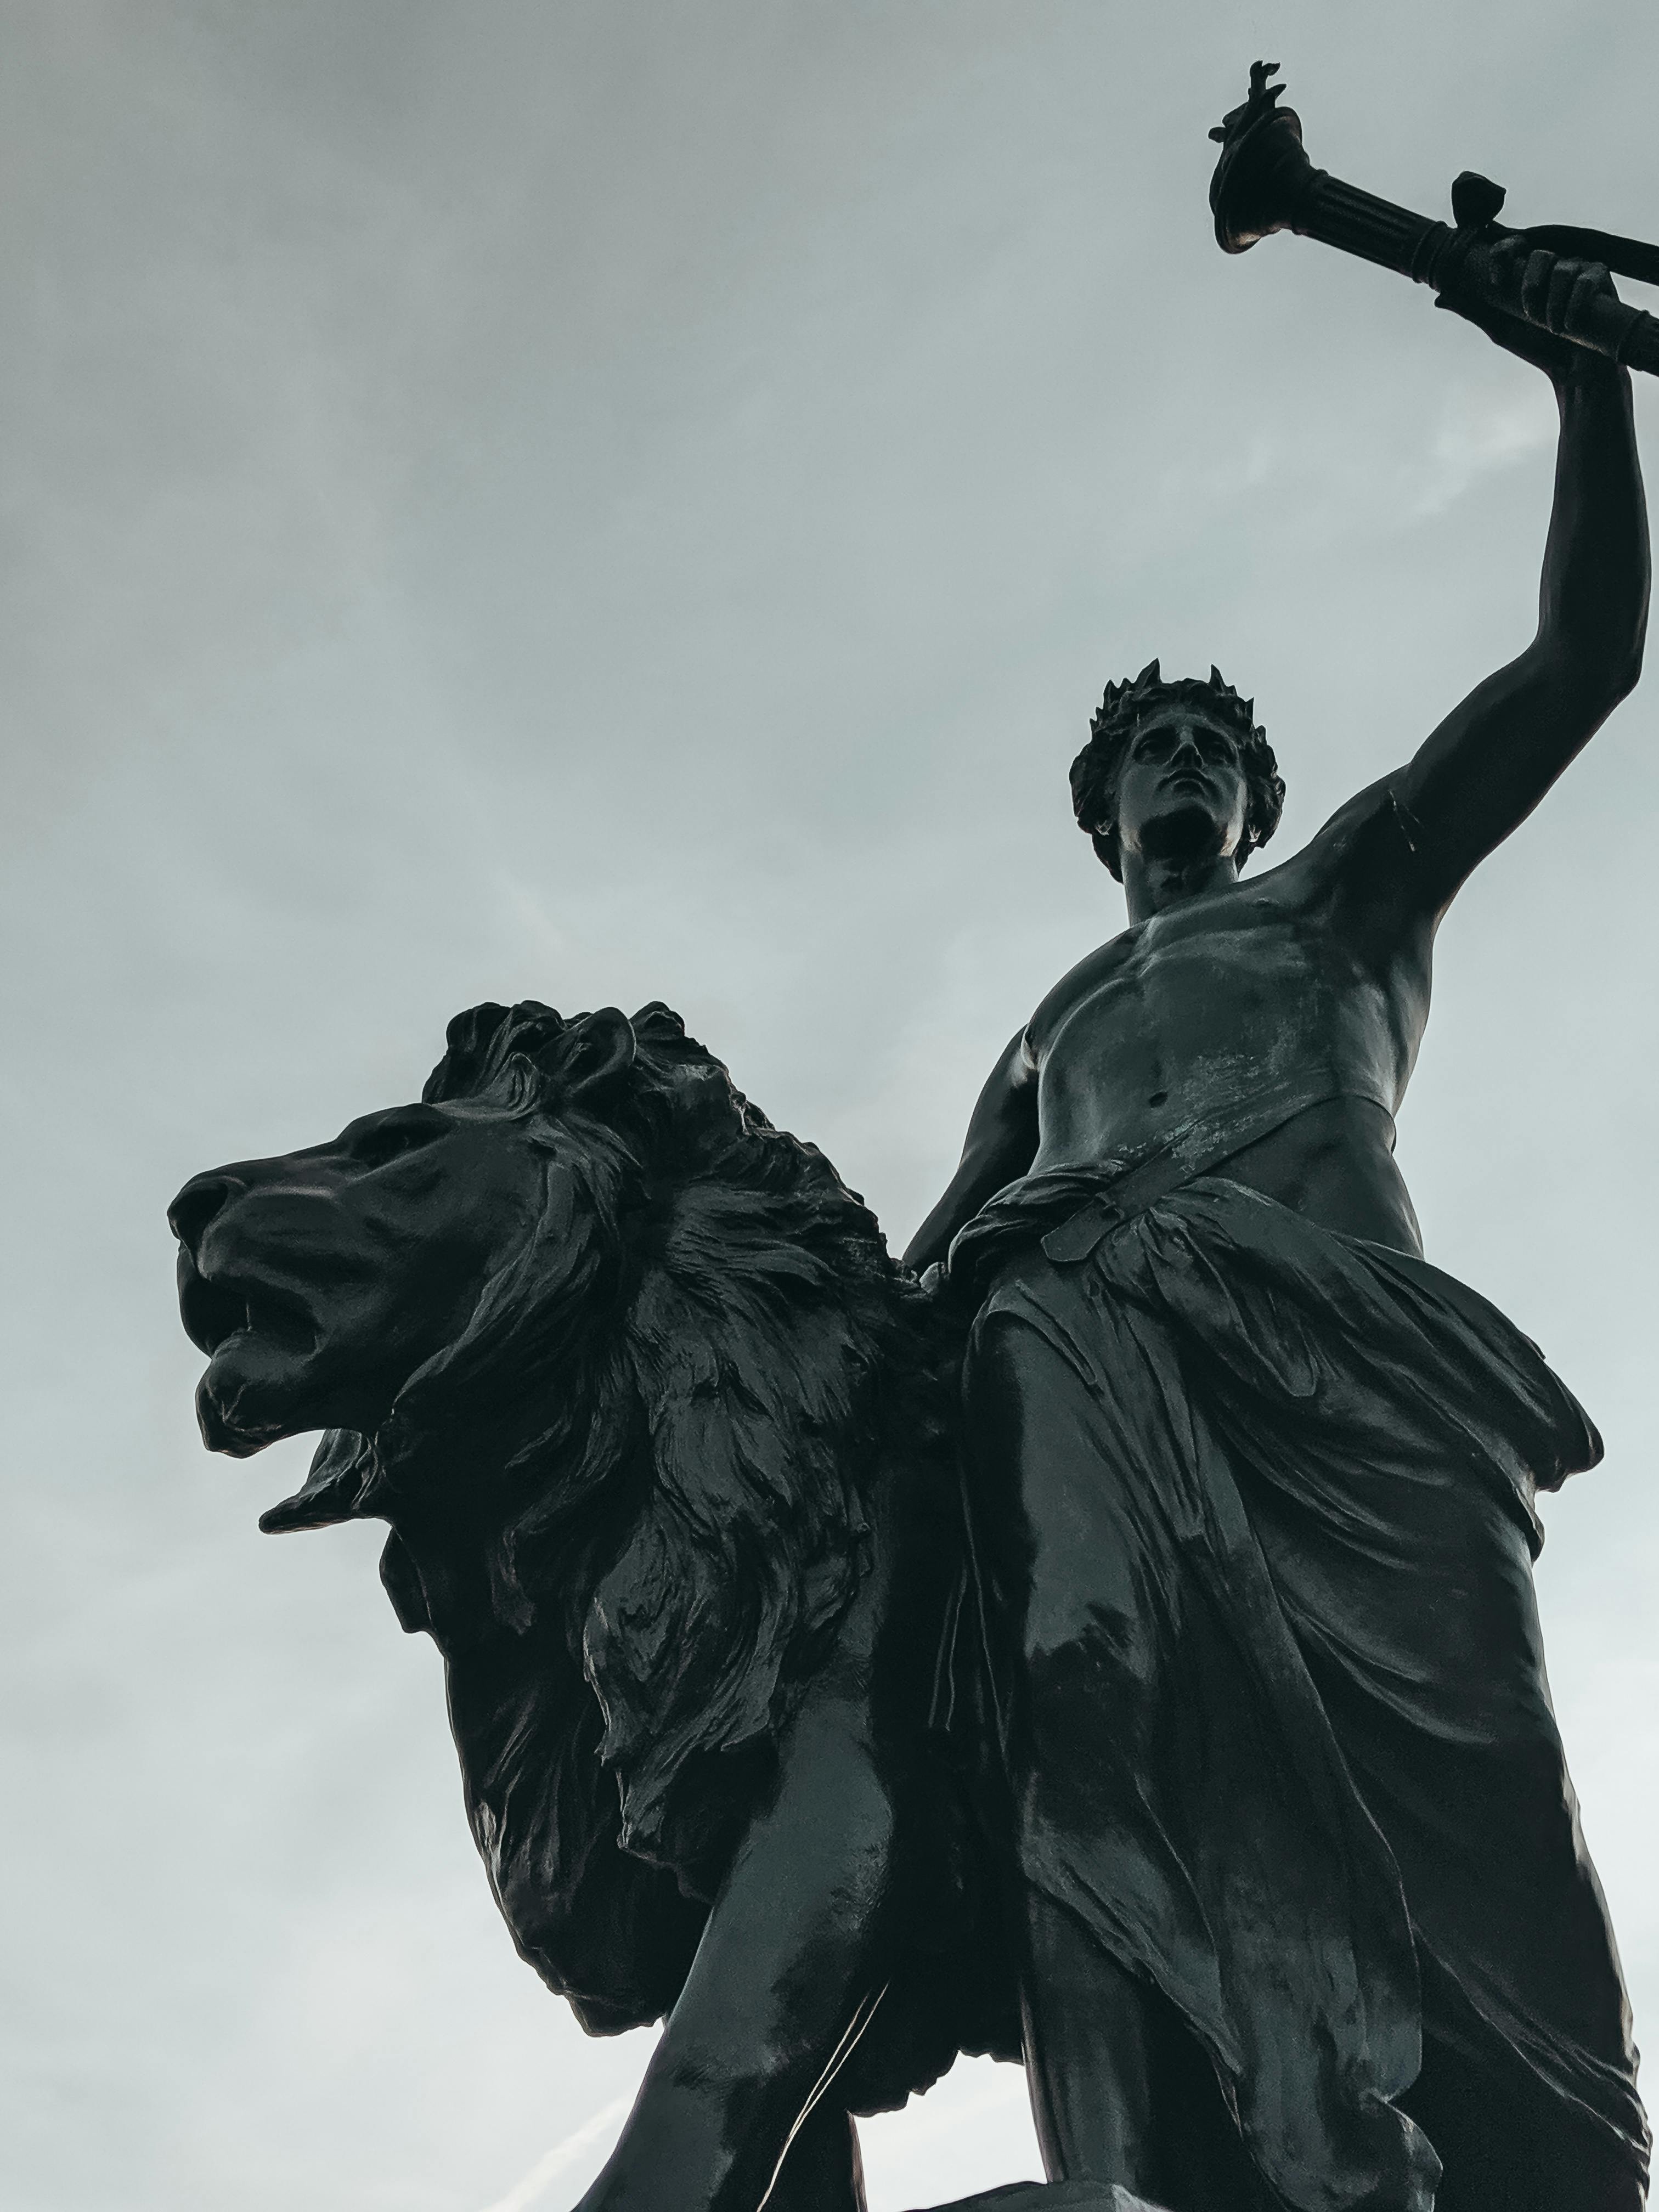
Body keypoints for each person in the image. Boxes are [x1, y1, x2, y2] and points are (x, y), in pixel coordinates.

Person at [903, 243, 1651, 2212]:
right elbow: (911, 1288)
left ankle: (1551, 2160)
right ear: (1102, 809)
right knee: (1095, 1732)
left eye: (1211, 750)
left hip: (1352, 1377)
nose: (1183, 765)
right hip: (1092, 1368)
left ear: (1253, 792)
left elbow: (1579, 668)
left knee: (1479, 1774)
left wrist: (1588, 388)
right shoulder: (1042, 1038)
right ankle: (1127, 2171)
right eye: (1148, 749)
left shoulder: (1346, 894)